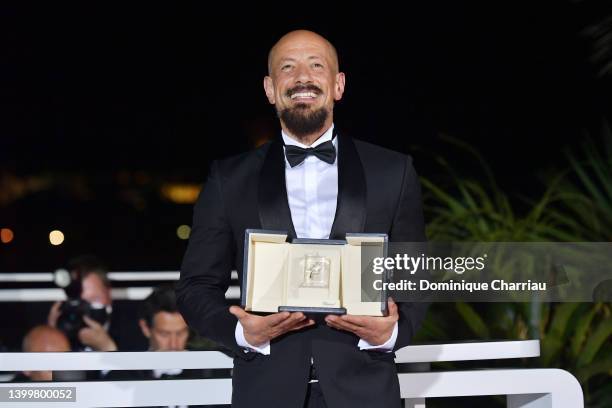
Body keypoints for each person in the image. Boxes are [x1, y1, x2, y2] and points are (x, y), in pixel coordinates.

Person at [177, 30, 428, 408]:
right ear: (270, 88)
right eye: (287, 67)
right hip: (265, 391)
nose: (302, 78)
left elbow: (416, 276)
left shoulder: (394, 172)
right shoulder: (228, 179)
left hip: (366, 390)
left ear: (338, 84)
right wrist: (242, 333)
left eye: (316, 65)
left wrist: (392, 334)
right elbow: (196, 288)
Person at [47, 255, 118, 351]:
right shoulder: (63, 326)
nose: (84, 307)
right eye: (78, 301)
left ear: (108, 292)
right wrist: (52, 336)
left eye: (94, 299)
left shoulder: (132, 328)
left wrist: (107, 348)